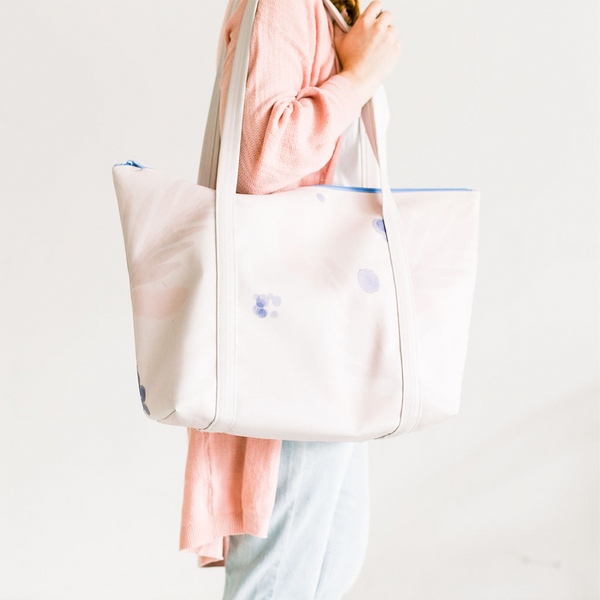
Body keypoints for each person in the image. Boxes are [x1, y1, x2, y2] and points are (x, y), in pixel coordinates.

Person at [179, 0, 401, 597]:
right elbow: (259, 159)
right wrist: (355, 80)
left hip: (330, 327)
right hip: (297, 333)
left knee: (328, 566)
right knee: (278, 579)